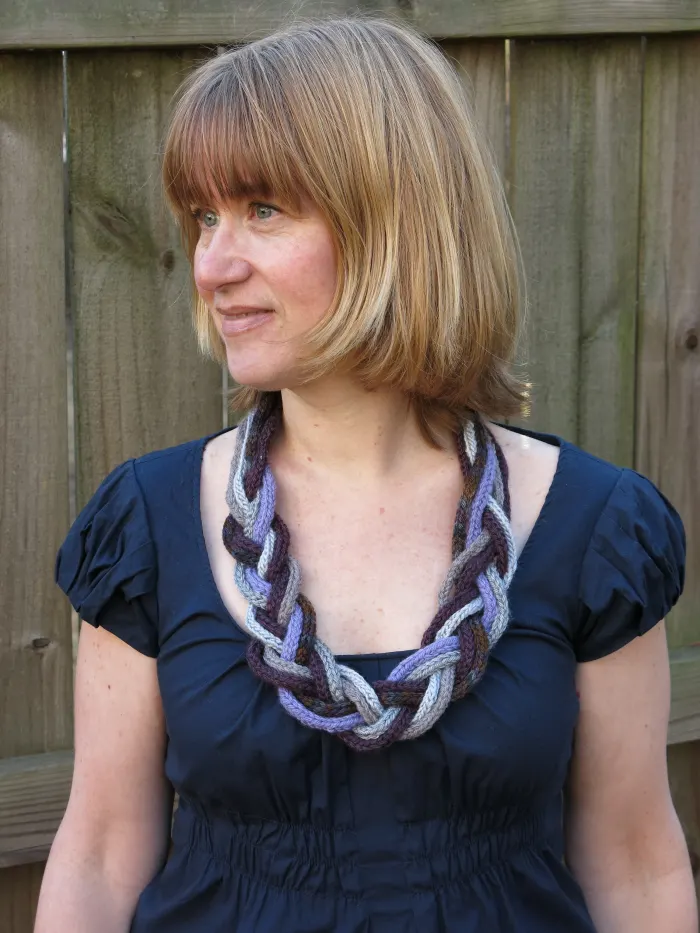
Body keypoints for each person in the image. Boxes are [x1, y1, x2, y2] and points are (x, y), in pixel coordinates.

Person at [34, 14, 697, 933]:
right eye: (204, 217)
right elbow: (101, 857)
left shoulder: (593, 530)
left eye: (263, 210)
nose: (212, 264)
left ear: (395, 223)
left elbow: (635, 866)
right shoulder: (147, 525)